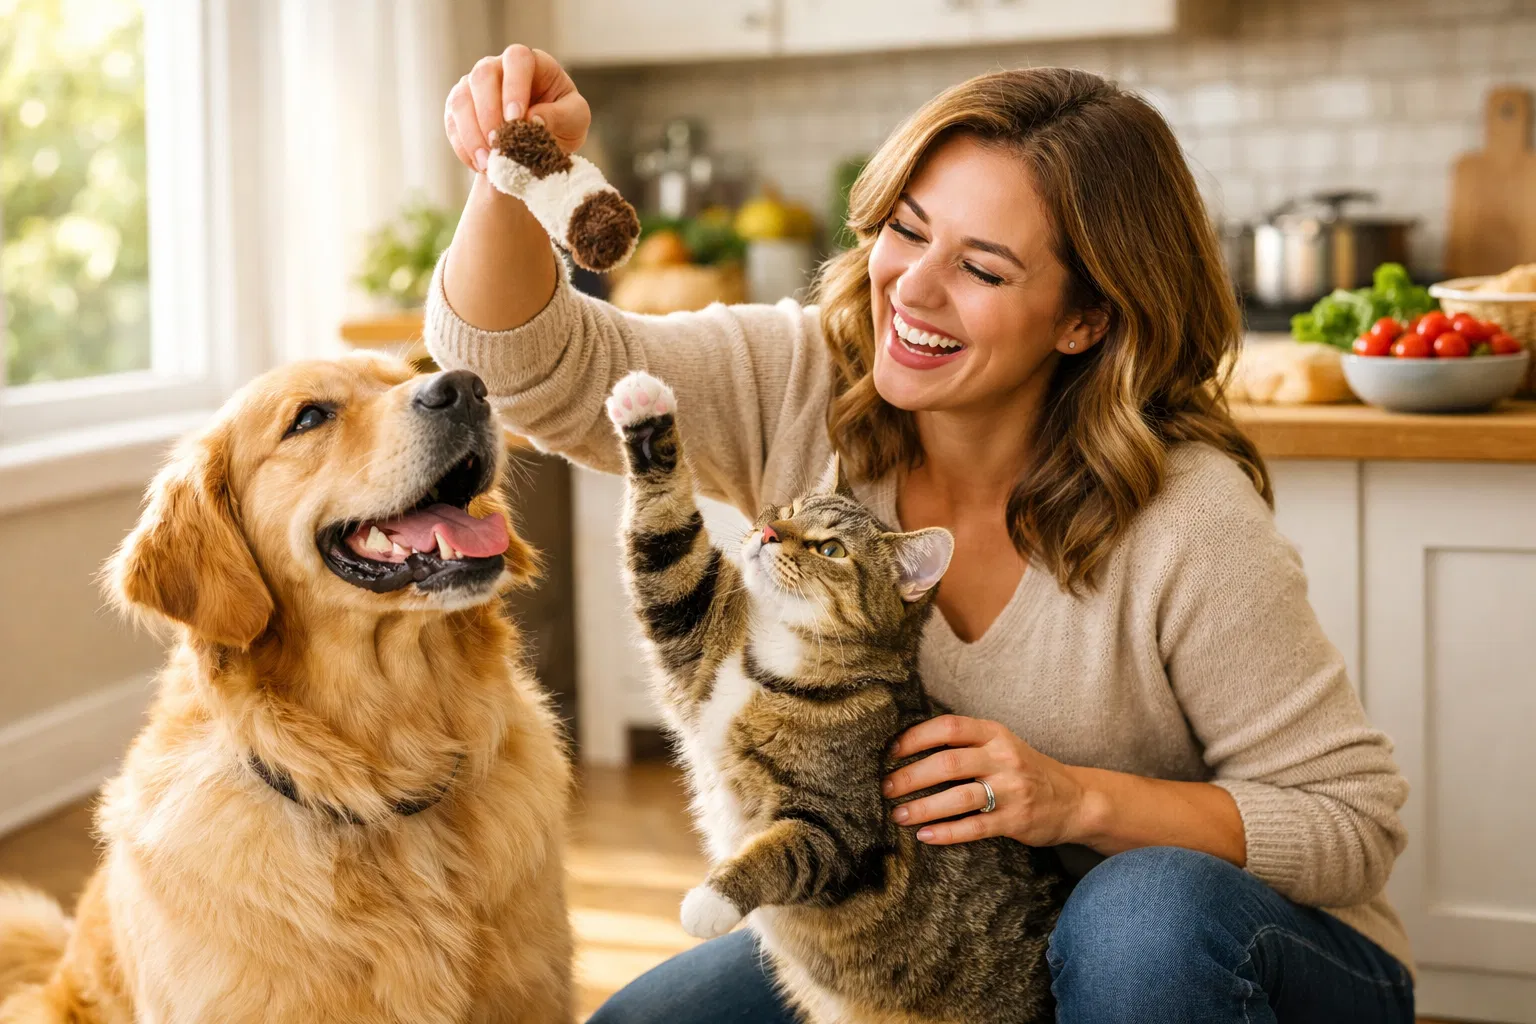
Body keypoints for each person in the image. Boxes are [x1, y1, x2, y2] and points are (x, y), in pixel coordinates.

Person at [430, 45, 1416, 1024]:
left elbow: (1351, 821)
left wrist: (1078, 801)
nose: (912, 288)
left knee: (1136, 921)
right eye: (908, 230)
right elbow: (525, 365)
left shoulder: (1186, 520)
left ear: (1084, 320)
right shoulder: (807, 380)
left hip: (1241, 955)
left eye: (981, 268)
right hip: (953, 939)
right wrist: (512, 176)